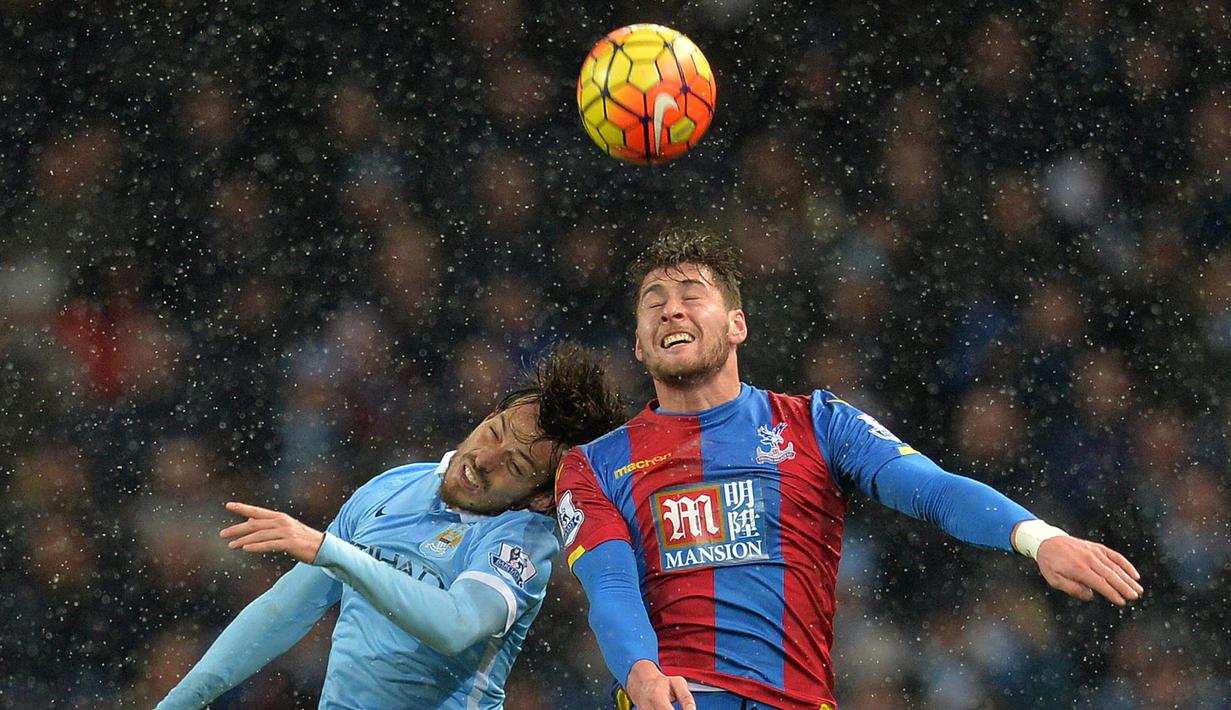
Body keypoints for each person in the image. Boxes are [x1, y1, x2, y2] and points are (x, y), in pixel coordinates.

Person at [554, 230, 1144, 710]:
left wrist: (1040, 540)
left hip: (798, 699)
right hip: (680, 697)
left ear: (738, 325)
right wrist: (641, 675)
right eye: (653, 303)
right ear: (638, 343)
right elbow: (609, 587)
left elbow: (932, 490)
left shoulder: (816, 423)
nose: (671, 309)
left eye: (690, 294)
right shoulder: (595, 465)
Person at [156, 342, 626, 710]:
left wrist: (332, 551)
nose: (484, 459)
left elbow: (455, 625)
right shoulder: (392, 487)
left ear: (542, 496)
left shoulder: (520, 544)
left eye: (517, 465)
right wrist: (183, 699)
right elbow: (285, 610)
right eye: (494, 432)